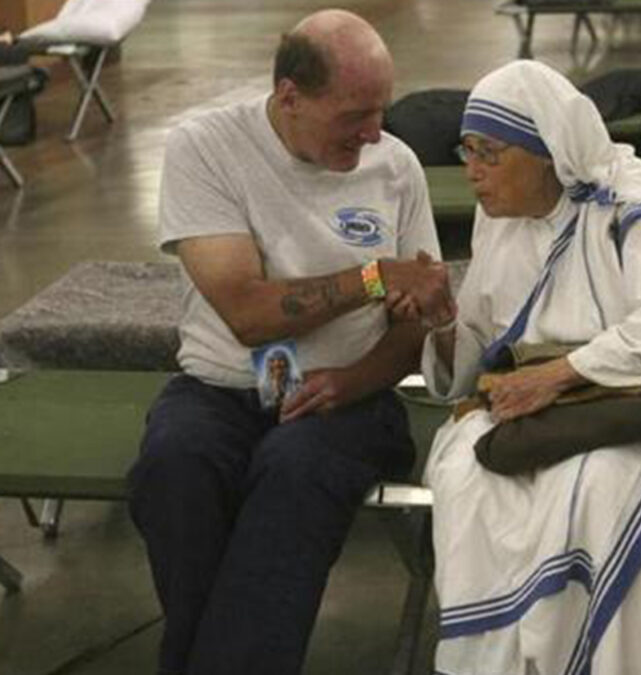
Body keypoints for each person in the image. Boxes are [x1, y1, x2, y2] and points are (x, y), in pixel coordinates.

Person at [409, 61, 641, 675]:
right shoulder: (499, 220)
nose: (472, 171)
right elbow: (479, 348)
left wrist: (564, 372)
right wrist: (441, 325)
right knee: (469, 471)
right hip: (540, 407)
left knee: (598, 488)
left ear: (548, 153)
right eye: (467, 150)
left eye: (490, 153)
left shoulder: (629, 209)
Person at [126, 9, 448, 674]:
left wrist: (352, 380)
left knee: (295, 471)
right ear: (290, 98)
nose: (373, 131)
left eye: (381, 110)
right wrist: (373, 276)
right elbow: (247, 313)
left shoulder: (396, 166)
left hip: (352, 400)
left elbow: (413, 325)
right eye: (354, 113)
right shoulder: (206, 147)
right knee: (172, 465)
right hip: (218, 387)